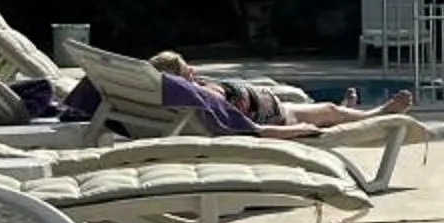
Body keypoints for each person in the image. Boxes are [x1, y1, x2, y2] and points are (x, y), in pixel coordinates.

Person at [146, 51, 413, 137]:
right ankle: (380, 112)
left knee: (329, 109)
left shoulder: (197, 92)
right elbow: (252, 130)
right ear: (177, 80)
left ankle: (343, 112)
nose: (192, 69)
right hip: (280, 119)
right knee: (329, 110)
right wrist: (300, 130)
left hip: (275, 106)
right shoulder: (205, 101)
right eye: (185, 70)